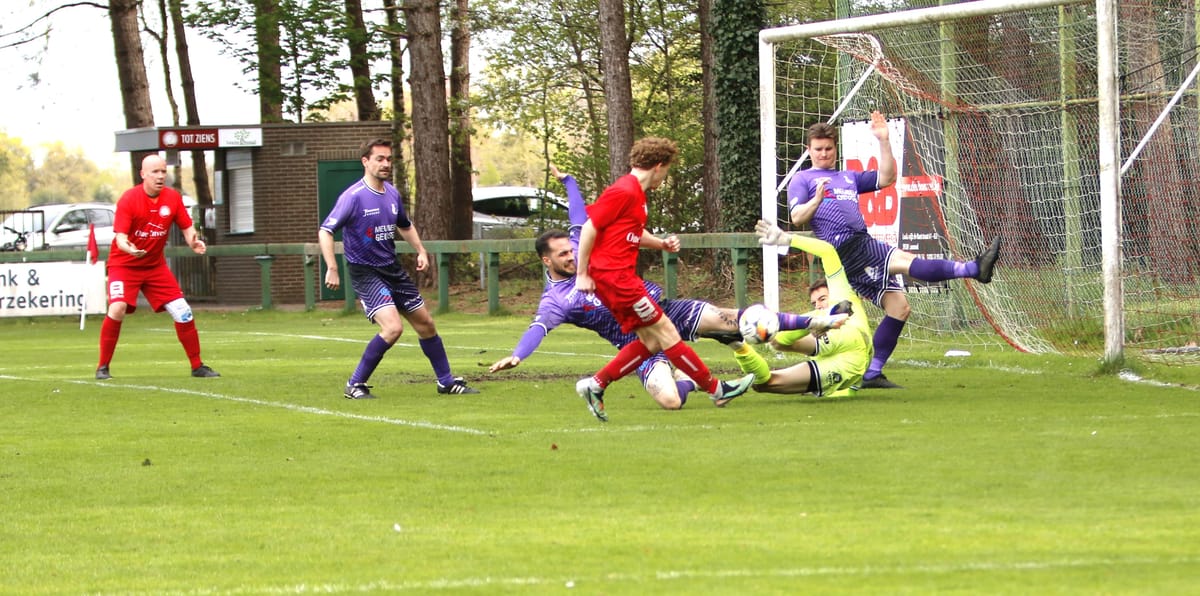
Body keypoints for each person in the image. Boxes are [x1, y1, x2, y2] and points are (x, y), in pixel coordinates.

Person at [489, 167, 839, 410]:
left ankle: (814, 324)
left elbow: (580, 215)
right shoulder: (556, 300)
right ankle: (696, 380)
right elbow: (538, 328)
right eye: (562, 254)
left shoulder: (584, 240)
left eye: (570, 250)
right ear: (546, 262)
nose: (570, 255)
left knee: (737, 320)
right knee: (670, 400)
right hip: (634, 343)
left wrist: (569, 182)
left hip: (663, 309)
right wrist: (518, 355)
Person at [787, 111, 1001, 389]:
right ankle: (973, 269)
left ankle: (872, 373)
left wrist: (884, 140)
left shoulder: (847, 176)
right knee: (903, 260)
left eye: (828, 148)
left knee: (899, 308)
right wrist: (816, 199)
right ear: (809, 150)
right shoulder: (803, 179)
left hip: (859, 247)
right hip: (846, 247)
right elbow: (797, 217)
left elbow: (887, 177)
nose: (824, 154)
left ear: (834, 149)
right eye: (818, 149)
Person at [572, 138, 757, 421]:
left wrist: (660, 244)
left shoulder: (636, 195)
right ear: (658, 167)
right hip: (616, 279)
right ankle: (717, 389)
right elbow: (590, 227)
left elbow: (629, 233)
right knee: (667, 331)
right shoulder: (624, 191)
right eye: (667, 171)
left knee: (652, 341)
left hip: (618, 278)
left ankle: (596, 385)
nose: (665, 177)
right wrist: (582, 273)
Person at [318, 138, 478, 399]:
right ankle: (355, 384)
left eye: (389, 159)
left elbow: (404, 224)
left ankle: (446, 382)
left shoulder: (392, 193)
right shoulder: (353, 197)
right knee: (393, 328)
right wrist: (332, 267)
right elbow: (326, 231)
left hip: (392, 269)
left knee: (426, 324)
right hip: (366, 272)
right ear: (365, 162)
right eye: (379, 159)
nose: (385, 164)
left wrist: (421, 251)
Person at [95, 154, 219, 380]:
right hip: (124, 265)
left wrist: (194, 241)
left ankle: (197, 366)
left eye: (163, 171)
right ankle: (103, 367)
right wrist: (130, 249)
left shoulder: (172, 198)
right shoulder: (129, 199)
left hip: (154, 267)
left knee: (183, 311)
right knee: (117, 308)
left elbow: (187, 228)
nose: (160, 176)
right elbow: (120, 238)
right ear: (143, 174)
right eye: (155, 172)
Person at [726, 221, 870, 399]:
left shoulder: (841, 290)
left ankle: (742, 342)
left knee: (779, 342)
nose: (819, 304)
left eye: (823, 298)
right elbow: (852, 388)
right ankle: (743, 346)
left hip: (849, 338)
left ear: (831, 291)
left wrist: (788, 239)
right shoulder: (836, 301)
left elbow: (828, 252)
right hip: (849, 361)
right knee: (763, 382)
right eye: (815, 302)